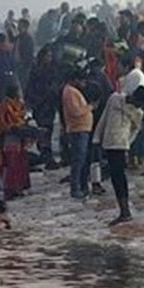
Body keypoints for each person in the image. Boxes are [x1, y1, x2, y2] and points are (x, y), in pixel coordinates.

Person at [93, 83, 144, 225]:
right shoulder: (115, 98)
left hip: (121, 145)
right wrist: (97, 137)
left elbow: (135, 129)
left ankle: (125, 210)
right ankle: (124, 210)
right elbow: (104, 118)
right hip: (108, 141)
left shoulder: (138, 112)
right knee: (115, 177)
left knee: (119, 177)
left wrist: (127, 143)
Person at [0, 84, 31, 201]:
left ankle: (19, 188)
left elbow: (24, 116)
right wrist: (14, 125)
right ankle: (9, 191)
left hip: (21, 139)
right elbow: (2, 123)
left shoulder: (20, 104)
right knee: (11, 166)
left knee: (20, 165)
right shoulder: (5, 106)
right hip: (10, 140)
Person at [63, 69, 95, 200]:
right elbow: (75, 112)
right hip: (78, 130)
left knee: (82, 160)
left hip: (82, 129)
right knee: (78, 160)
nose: (84, 84)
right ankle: (75, 188)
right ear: (75, 80)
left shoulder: (72, 91)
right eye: (82, 81)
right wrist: (90, 107)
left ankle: (82, 186)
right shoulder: (70, 92)